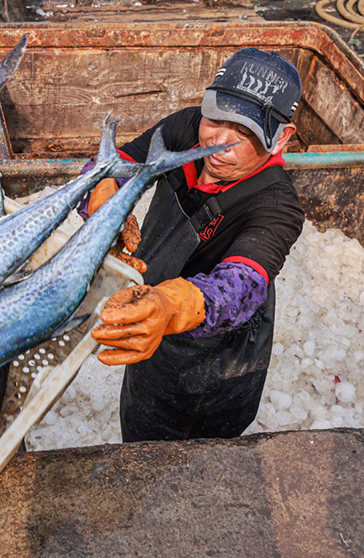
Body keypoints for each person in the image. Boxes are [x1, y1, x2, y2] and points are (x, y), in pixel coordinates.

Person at [83, 48, 305, 442]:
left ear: (281, 137)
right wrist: (101, 196)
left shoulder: (277, 206)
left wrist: (169, 306)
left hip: (213, 364)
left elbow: (242, 284)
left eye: (245, 131)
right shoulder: (186, 130)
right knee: (137, 434)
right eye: (216, 118)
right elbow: (117, 161)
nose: (219, 141)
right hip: (150, 318)